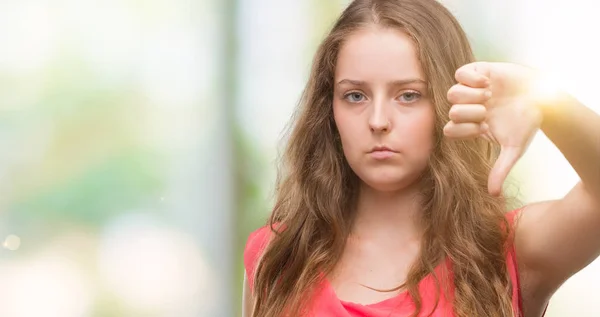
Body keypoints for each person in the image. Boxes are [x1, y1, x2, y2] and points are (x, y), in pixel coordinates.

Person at [242, 0, 600, 316]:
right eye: (355, 96)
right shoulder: (276, 257)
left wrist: (544, 101)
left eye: (409, 96)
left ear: (450, 102)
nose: (378, 121)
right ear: (328, 110)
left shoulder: (510, 250)